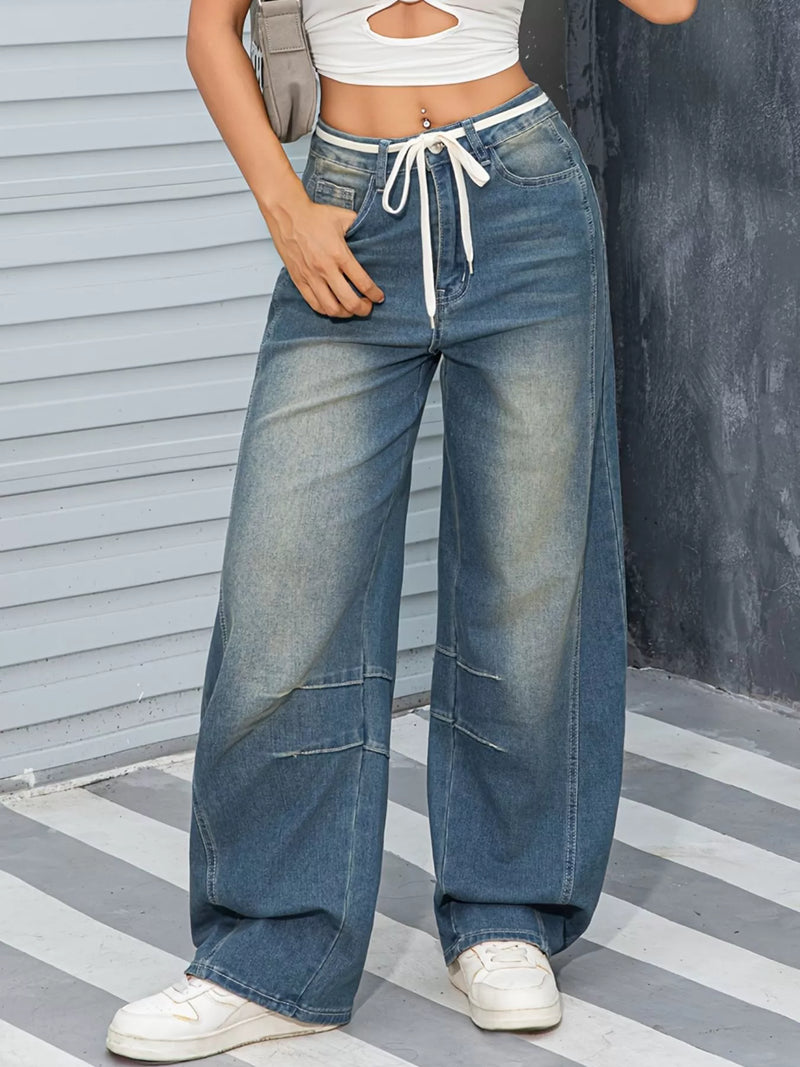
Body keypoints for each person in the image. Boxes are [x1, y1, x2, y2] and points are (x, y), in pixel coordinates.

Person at [106, 0, 696, 1060]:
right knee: (284, 590)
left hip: (520, 196)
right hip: (343, 198)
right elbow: (209, 31)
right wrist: (283, 208)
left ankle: (508, 914)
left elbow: (668, 4)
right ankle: (267, 953)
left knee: (529, 583)